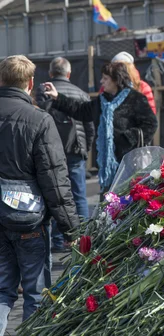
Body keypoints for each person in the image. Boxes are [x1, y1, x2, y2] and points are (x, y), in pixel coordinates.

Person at [0, 56, 80, 336]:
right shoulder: (39, 119)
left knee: (2, 289)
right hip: (27, 217)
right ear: (31, 83)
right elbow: (55, 180)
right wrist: (70, 228)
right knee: (35, 290)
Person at [43, 62, 158, 192]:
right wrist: (57, 97)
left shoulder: (136, 99)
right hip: (107, 167)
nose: (101, 81)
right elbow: (80, 110)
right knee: (109, 203)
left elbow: (151, 124)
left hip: (130, 163)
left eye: (105, 78)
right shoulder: (102, 100)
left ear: (116, 80)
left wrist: (127, 139)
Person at [35, 57, 95, 254]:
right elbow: (89, 126)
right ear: (68, 74)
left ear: (51, 74)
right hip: (75, 150)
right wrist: (86, 148)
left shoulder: (43, 94)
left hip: (50, 152)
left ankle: (58, 240)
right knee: (78, 195)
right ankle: (83, 238)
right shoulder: (81, 94)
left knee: (53, 194)